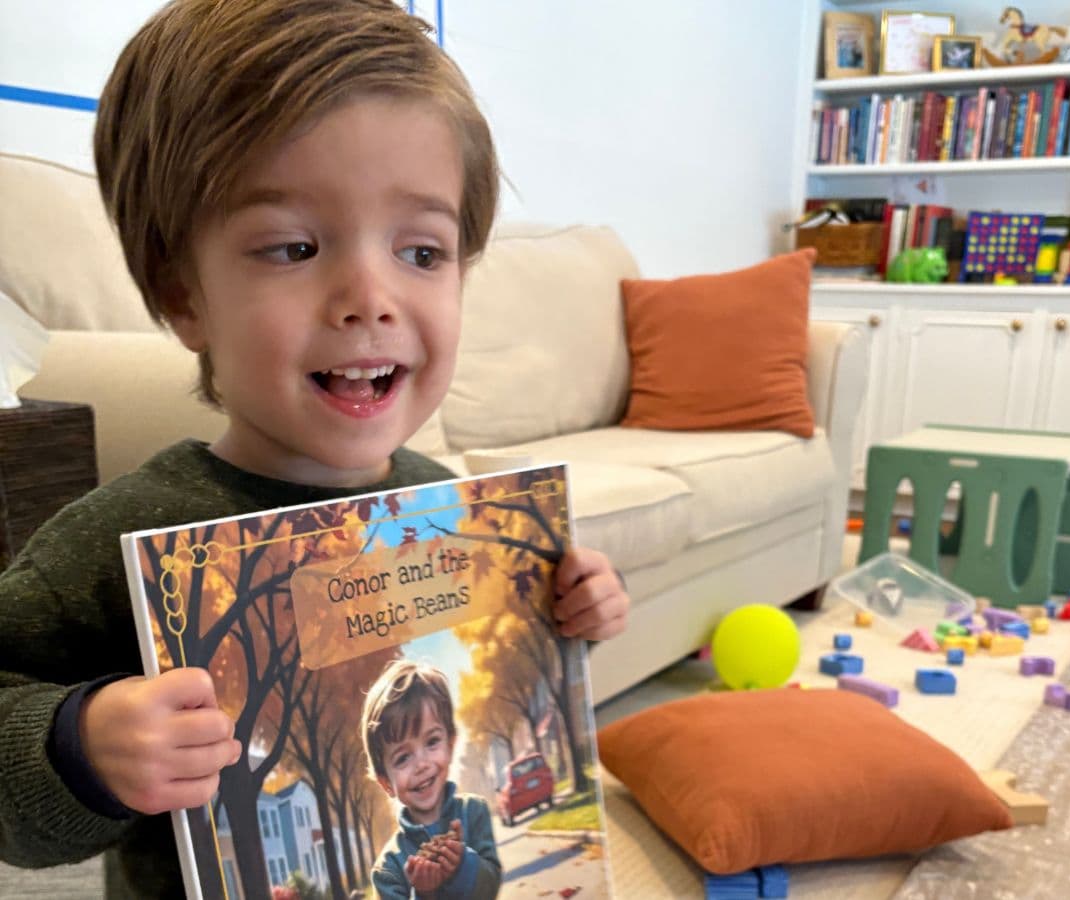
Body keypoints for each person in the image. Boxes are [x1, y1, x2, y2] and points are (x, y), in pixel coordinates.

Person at [0, 1, 630, 896]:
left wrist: (561, 613)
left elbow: (486, 676)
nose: (368, 296)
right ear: (185, 298)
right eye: (294, 246)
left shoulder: (441, 504)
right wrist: (79, 742)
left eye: (422, 250)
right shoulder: (112, 539)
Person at [361, 660, 499, 900]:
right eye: (403, 757)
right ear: (385, 783)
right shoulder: (388, 870)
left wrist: (462, 865)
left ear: (451, 744)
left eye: (432, 742)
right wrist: (423, 893)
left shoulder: (474, 812)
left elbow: (491, 888)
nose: (421, 764)